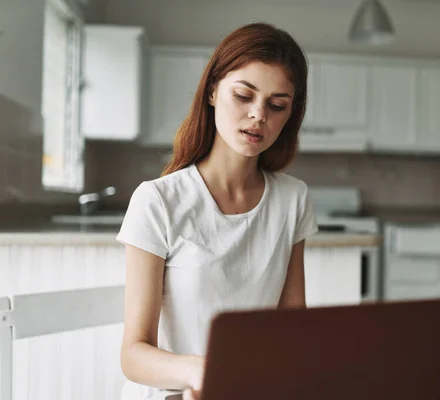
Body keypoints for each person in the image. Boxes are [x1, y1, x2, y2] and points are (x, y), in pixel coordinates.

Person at [115, 22, 319, 400]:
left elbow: (294, 327)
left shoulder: (293, 200)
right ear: (212, 91)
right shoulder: (158, 201)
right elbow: (133, 354)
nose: (259, 115)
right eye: (244, 95)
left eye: (277, 105)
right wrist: (202, 371)